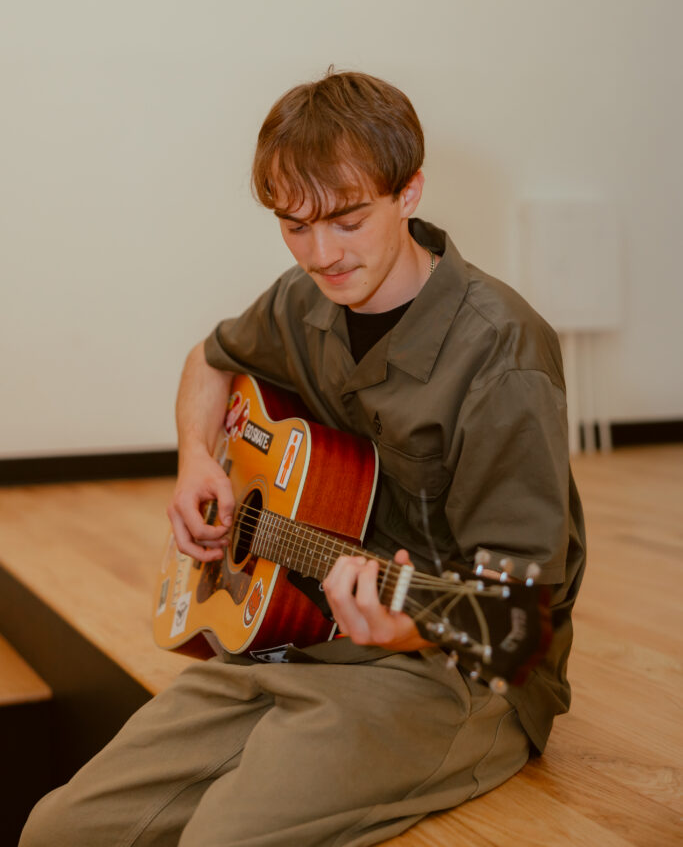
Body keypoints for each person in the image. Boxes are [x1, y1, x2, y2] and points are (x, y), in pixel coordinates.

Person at [21, 70, 586, 847]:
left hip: (457, 671)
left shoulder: (502, 352)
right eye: (294, 225)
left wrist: (400, 631)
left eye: (347, 219)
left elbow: (516, 620)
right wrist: (196, 460)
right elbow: (209, 358)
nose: (321, 254)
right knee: (57, 830)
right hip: (299, 635)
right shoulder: (304, 298)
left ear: (408, 192)